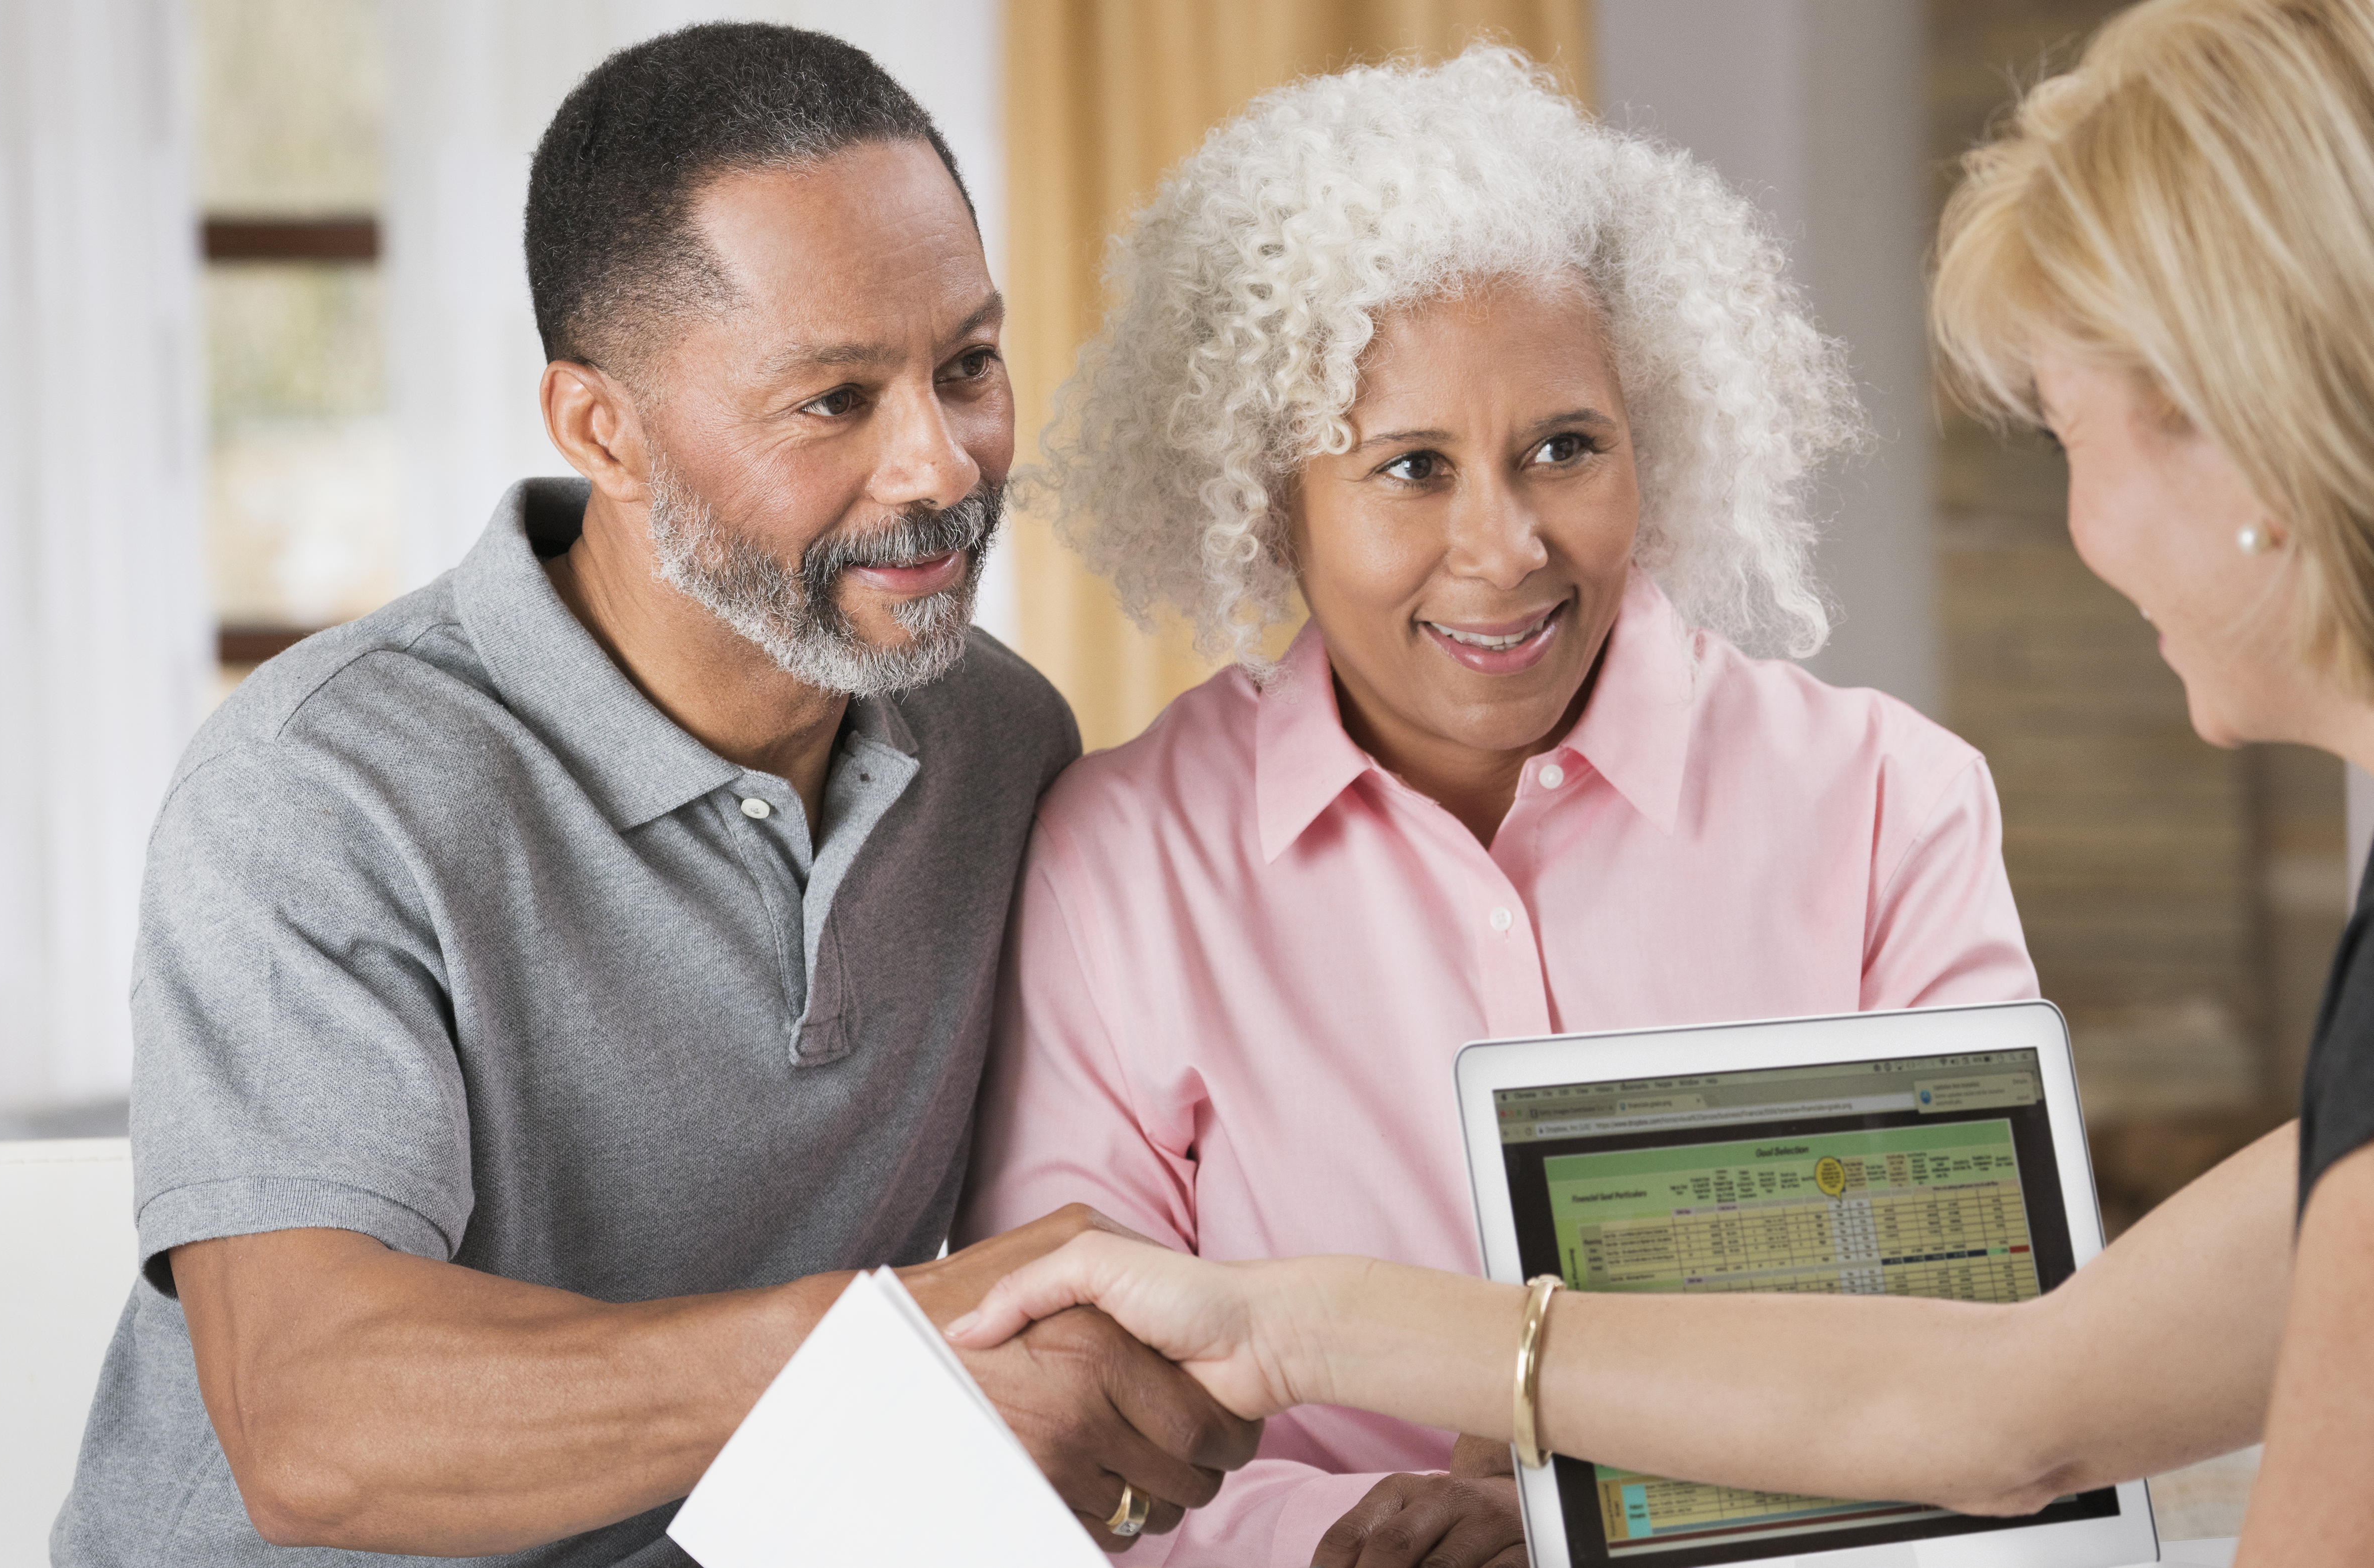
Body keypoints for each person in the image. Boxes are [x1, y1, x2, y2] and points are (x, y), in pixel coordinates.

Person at [949, 1, 2374, 1562]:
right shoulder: (1125, 860)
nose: (1503, 549)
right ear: (1260, 493)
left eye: (1567, 446)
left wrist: (1541, 1488)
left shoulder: (1888, 796)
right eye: (1410, 466)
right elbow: (2010, 1398)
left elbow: (2014, 1396)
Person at [50, 24, 1261, 1567]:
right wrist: (895, 1343)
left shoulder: (1000, 739)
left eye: (967, 363)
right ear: (600, 430)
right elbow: (316, 1424)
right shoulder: (320, 791)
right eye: (834, 400)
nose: (941, 466)